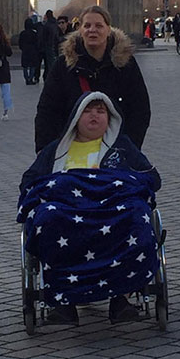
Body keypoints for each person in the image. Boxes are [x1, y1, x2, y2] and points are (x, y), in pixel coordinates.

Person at [19, 91, 161, 325]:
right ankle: (64, 302)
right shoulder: (56, 149)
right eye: (88, 110)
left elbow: (152, 178)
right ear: (76, 116)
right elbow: (30, 182)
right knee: (47, 217)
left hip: (113, 212)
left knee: (137, 213)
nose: (94, 115)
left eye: (100, 111)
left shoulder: (122, 147)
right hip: (68, 214)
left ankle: (121, 298)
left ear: (110, 118)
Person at [35, 4, 151, 153]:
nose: (92, 30)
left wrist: (129, 148)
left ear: (108, 30)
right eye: (87, 25)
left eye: (99, 26)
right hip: (71, 150)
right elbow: (47, 111)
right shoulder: (63, 66)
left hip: (115, 149)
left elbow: (140, 109)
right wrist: (46, 151)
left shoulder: (126, 65)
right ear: (80, 30)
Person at [38, 10, 62, 82]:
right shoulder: (55, 24)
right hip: (55, 46)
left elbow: (43, 37)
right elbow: (57, 36)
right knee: (53, 63)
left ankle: (49, 78)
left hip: (48, 47)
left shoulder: (47, 25)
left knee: (49, 64)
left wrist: (41, 47)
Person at [18, 17, 42, 85]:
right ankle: (31, 78)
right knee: (32, 66)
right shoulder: (34, 33)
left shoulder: (22, 33)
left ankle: (26, 79)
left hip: (25, 51)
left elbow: (20, 43)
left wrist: (22, 48)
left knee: (25, 66)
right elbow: (37, 42)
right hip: (33, 51)